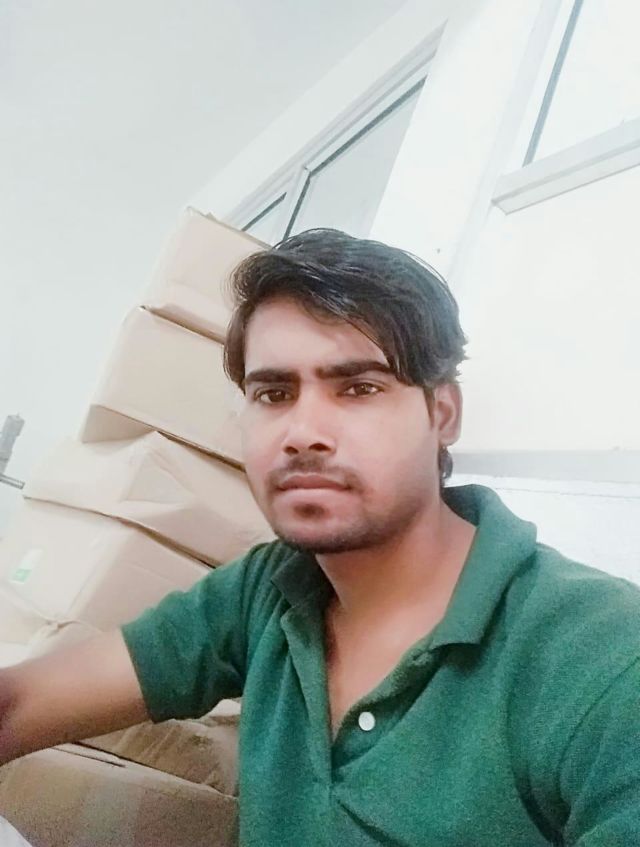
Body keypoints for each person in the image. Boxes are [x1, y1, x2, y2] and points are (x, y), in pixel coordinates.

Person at [1, 228, 639, 846]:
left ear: (442, 414)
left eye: (359, 388)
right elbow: (21, 704)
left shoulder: (602, 656)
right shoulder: (269, 589)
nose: (303, 433)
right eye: (274, 393)